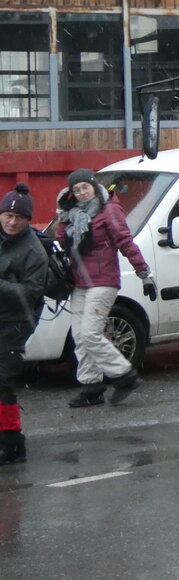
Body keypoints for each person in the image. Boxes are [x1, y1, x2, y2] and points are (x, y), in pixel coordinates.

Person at [56, 168, 156, 408]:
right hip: (80, 281)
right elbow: (62, 241)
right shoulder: (73, 213)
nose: (81, 193)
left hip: (103, 281)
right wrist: (62, 218)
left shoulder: (109, 209)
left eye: (84, 187)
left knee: (91, 333)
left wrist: (144, 273)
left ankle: (125, 376)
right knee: (80, 336)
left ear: (94, 186)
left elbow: (125, 242)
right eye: (76, 190)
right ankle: (91, 387)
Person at [0, 183, 47, 464]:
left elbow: (30, 293)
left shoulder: (33, 252)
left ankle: (13, 444)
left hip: (17, 322)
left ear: (27, 220)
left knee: (3, 381)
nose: (12, 221)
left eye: (18, 218)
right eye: (7, 215)